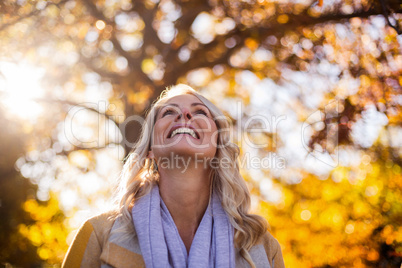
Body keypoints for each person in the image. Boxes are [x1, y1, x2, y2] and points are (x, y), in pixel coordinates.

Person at [62, 84, 285, 268]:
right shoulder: (99, 234)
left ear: (218, 145)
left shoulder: (263, 247)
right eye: (168, 112)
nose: (184, 114)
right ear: (150, 148)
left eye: (200, 112)